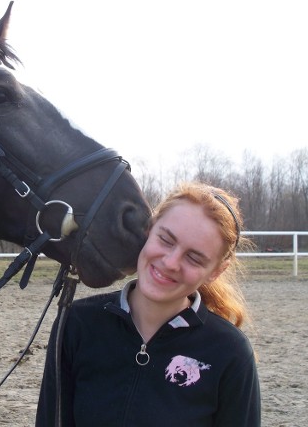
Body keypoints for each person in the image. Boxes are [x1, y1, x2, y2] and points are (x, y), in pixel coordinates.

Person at [36, 182, 261, 426]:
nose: (171, 262)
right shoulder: (77, 323)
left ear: (215, 272)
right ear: (149, 231)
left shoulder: (229, 352)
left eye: (194, 258)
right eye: (166, 240)